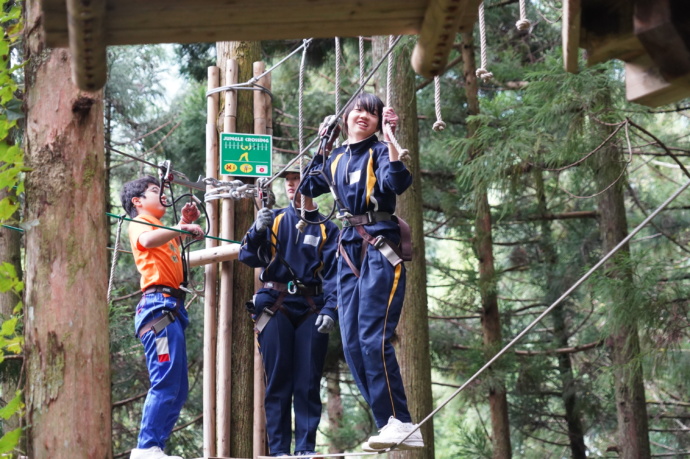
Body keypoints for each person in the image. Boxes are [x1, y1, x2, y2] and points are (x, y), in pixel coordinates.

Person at [298, 93, 423, 451]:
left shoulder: (381, 151)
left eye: (371, 112)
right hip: (348, 248)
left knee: (372, 336)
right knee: (352, 343)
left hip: (379, 244)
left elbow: (397, 184)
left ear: (379, 120)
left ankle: (400, 420)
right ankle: (388, 421)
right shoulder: (336, 157)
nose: (363, 116)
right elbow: (308, 187)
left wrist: (392, 139)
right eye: (357, 110)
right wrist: (324, 144)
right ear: (346, 117)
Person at [239, 169, 339, 457]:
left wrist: (331, 308)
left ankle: (305, 449)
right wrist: (257, 230)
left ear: (314, 187)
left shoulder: (327, 229)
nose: (293, 185)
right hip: (275, 303)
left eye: (299, 180)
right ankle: (280, 451)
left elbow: (335, 275)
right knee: (279, 378)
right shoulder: (276, 219)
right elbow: (246, 256)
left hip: (311, 306)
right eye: (289, 181)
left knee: (308, 380)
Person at [120, 175, 204, 459]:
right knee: (166, 380)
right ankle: (146, 448)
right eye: (155, 191)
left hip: (170, 310)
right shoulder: (141, 223)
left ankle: (155, 447)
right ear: (138, 201)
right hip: (158, 311)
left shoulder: (160, 226)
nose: (162, 195)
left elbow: (167, 239)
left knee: (177, 388)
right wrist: (181, 227)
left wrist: (182, 226)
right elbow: (148, 239)